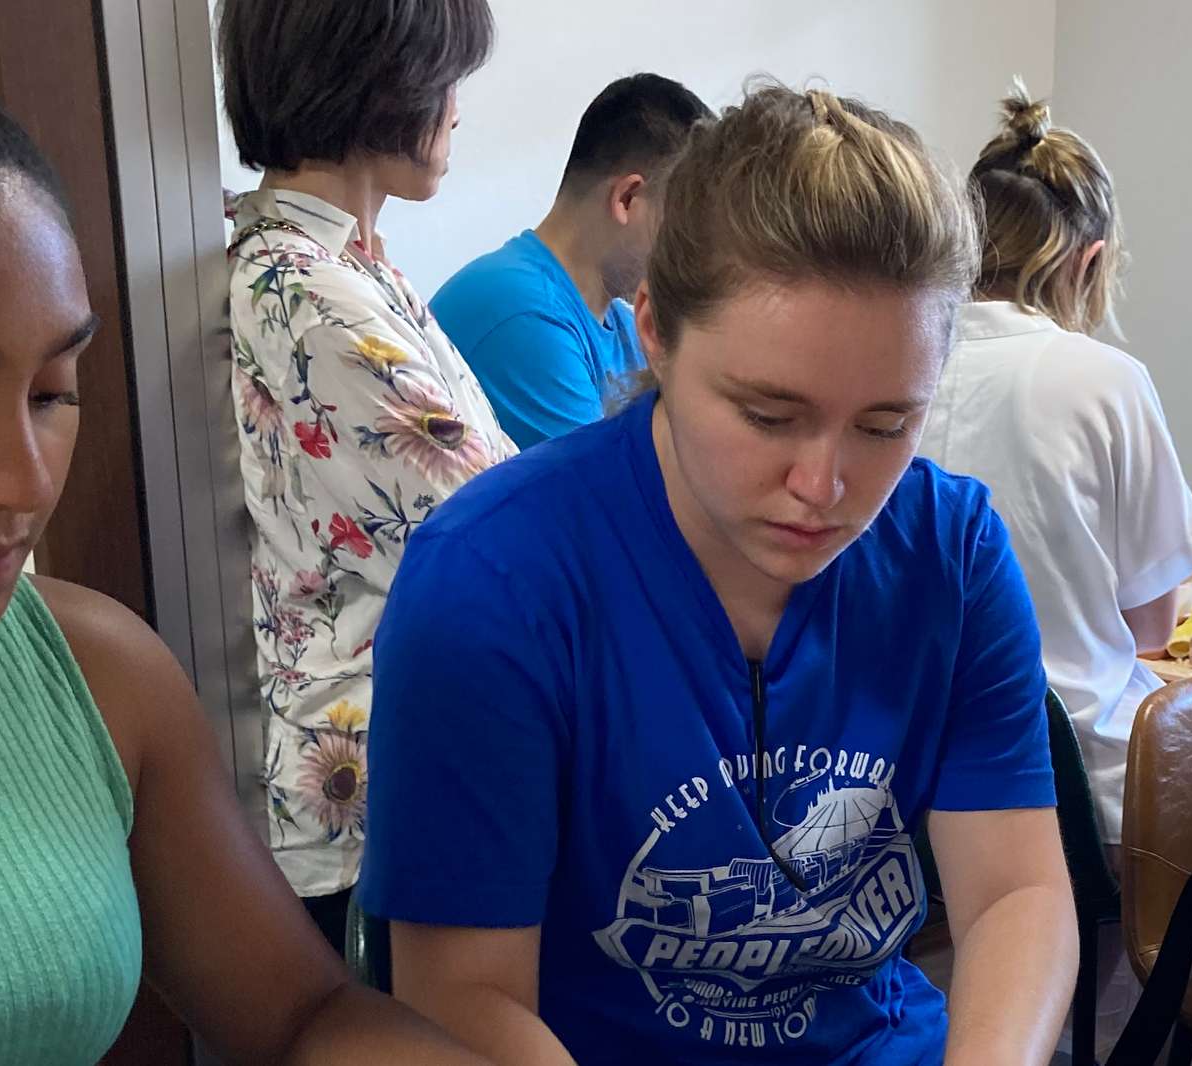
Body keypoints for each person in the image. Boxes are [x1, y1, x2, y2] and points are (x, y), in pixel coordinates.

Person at [358, 84, 1078, 1065]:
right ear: (653, 329)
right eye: (768, 415)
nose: (823, 485)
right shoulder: (491, 585)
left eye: (885, 425)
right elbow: (461, 994)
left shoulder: (951, 554)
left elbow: (1013, 894)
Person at [0, 46, 490, 1066]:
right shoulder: (301, 284)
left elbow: (301, 1013)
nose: (20, 481)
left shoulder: (99, 674)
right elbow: (490, 529)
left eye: (52, 391)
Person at [218, 0, 516, 952]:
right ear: (380, 78)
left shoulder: (341, 265)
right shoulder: (310, 295)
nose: (456, 108)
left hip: (388, 766)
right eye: (446, 77)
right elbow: (498, 531)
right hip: (364, 800)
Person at [917, 87, 1192, 847]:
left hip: (901, 771)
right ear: (1089, 260)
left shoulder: (899, 362)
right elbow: (1151, 625)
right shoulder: (1103, 379)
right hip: (1073, 779)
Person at [433, 73, 714, 448]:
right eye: (686, 224)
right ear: (627, 199)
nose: (693, 251)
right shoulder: (521, 313)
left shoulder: (622, 326)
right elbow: (609, 485)